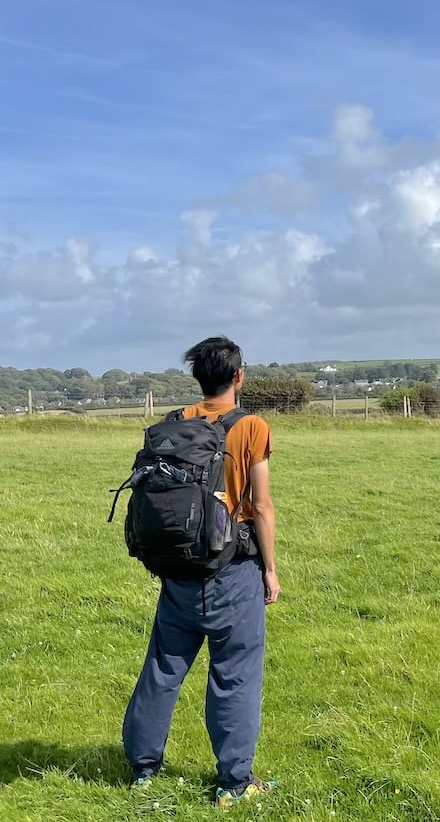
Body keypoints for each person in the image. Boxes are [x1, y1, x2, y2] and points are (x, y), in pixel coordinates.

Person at [123, 336, 281, 808]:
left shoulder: (173, 425)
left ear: (198, 378)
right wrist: (270, 571)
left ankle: (144, 770)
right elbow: (262, 505)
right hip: (232, 571)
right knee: (235, 674)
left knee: (163, 668)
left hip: (177, 570)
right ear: (240, 377)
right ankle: (234, 783)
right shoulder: (251, 427)